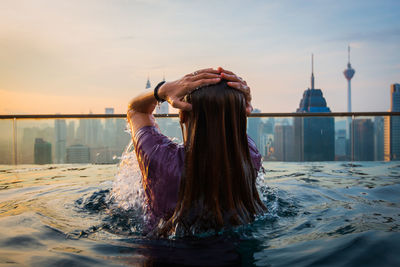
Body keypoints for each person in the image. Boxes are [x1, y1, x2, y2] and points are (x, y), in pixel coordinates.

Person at [127, 67, 266, 236]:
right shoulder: (249, 156)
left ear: (182, 116)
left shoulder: (160, 159)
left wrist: (162, 90)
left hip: (165, 253)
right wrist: (239, 102)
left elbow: (136, 110)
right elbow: (231, 128)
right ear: (242, 112)